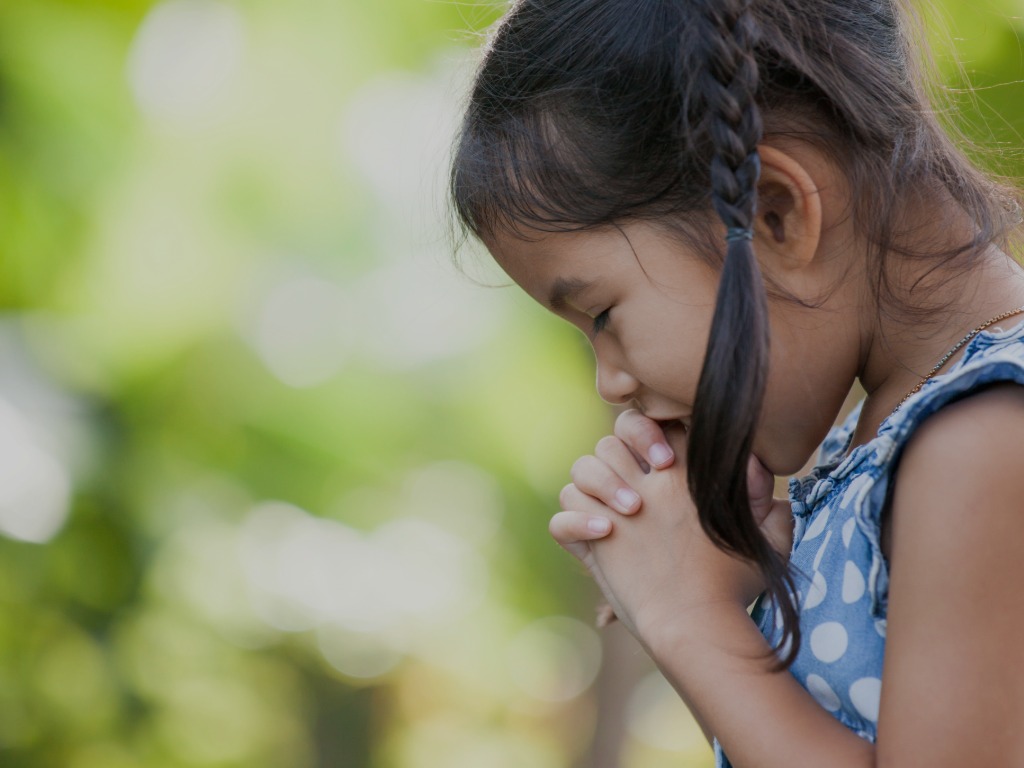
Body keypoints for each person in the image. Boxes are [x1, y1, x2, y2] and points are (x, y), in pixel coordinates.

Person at [449, 0, 1024, 765]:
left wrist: (689, 619)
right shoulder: (893, 444)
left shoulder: (982, 440)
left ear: (775, 213)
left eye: (603, 314)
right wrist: (711, 590)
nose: (610, 383)